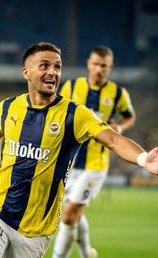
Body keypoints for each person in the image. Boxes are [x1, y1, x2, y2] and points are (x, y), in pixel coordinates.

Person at [0, 42, 157, 258]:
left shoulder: (76, 115)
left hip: (38, 227)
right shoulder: (8, 107)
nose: (52, 72)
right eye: (44, 65)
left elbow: (114, 140)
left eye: (57, 67)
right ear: (26, 72)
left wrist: (143, 158)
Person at [52, 46, 136, 258]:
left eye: (104, 66)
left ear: (110, 67)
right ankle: (86, 253)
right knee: (75, 214)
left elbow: (129, 116)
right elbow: (58, 109)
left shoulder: (118, 93)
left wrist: (120, 128)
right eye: (96, 64)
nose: (99, 69)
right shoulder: (71, 86)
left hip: (95, 165)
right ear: (89, 63)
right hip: (70, 162)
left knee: (69, 216)